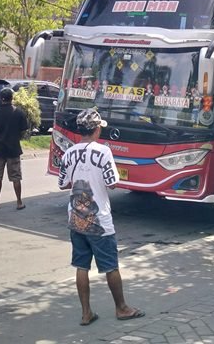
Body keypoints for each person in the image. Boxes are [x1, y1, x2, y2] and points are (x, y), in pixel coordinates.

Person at [58, 108, 145, 326]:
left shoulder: (69, 153)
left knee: (81, 265)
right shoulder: (103, 152)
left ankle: (86, 313)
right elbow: (112, 182)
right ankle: (121, 308)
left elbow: (62, 183)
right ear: (96, 129)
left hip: (75, 217)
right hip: (99, 219)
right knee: (110, 266)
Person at [0, 87, 29, 210]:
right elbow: (24, 130)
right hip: (14, 149)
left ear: (1, 98)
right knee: (16, 177)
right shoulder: (19, 112)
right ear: (12, 98)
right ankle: (19, 202)